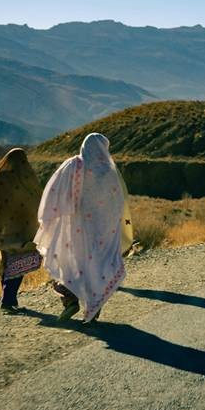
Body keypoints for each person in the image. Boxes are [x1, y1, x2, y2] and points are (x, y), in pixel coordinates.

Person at [34, 133, 132, 322]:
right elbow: (117, 203)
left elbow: (56, 191)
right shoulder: (109, 171)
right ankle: (94, 308)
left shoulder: (73, 165)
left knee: (69, 263)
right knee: (95, 268)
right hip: (100, 230)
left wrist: (53, 217)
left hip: (73, 228)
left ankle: (70, 301)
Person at [0, 148, 43, 314]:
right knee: (18, 263)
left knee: (7, 263)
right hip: (22, 231)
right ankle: (7, 301)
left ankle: (10, 300)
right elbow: (38, 199)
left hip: (3, 230)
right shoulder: (28, 178)